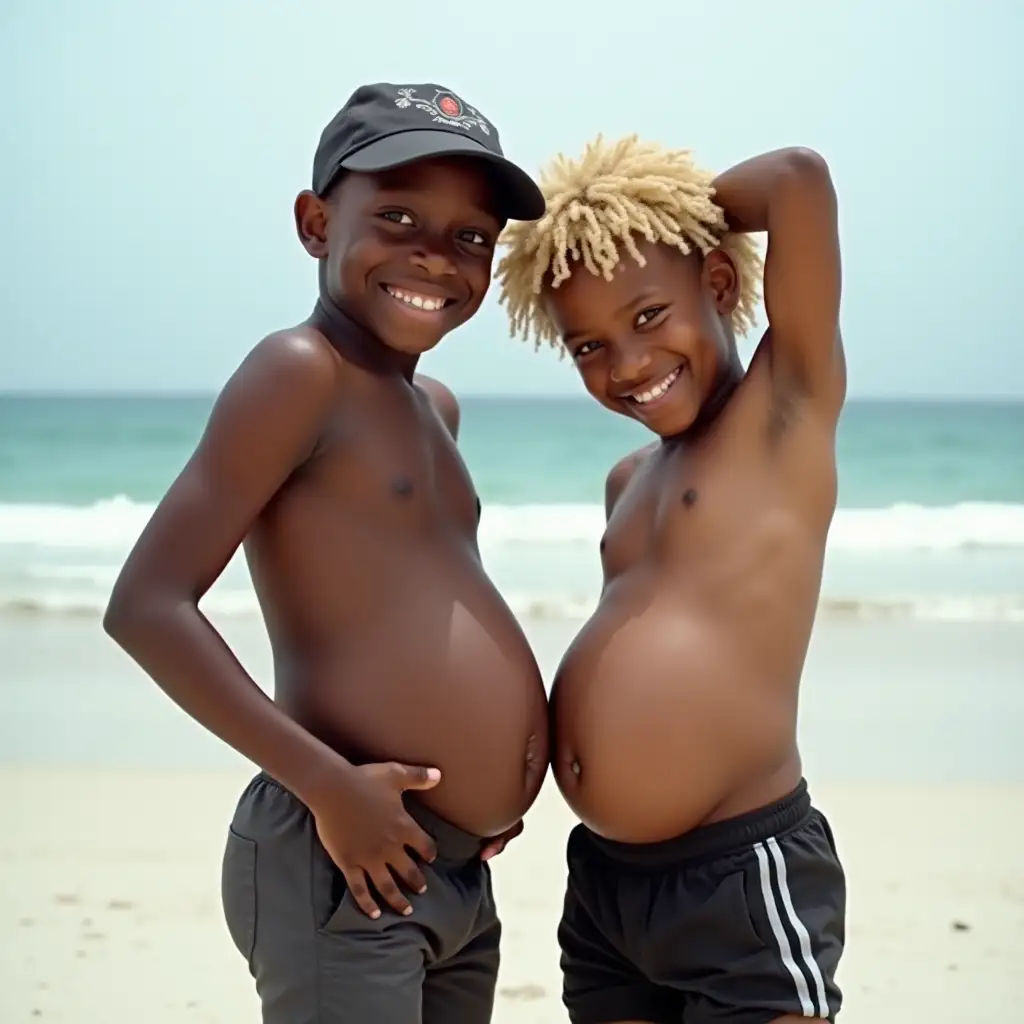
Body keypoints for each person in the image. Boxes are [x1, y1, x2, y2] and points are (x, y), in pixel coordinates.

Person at [103, 82, 550, 1024]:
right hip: (342, 852)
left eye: (473, 235)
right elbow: (147, 606)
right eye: (396, 216)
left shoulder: (436, 411)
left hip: (449, 869)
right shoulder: (301, 372)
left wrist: (479, 804)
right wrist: (328, 785)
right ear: (315, 224)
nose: (436, 252)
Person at [496, 134, 847, 1023]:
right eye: (588, 346)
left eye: (649, 316)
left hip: (740, 872)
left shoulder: (784, 412)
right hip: (609, 888)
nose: (626, 364)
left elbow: (797, 181)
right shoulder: (628, 482)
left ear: (720, 287)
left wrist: (651, 221)